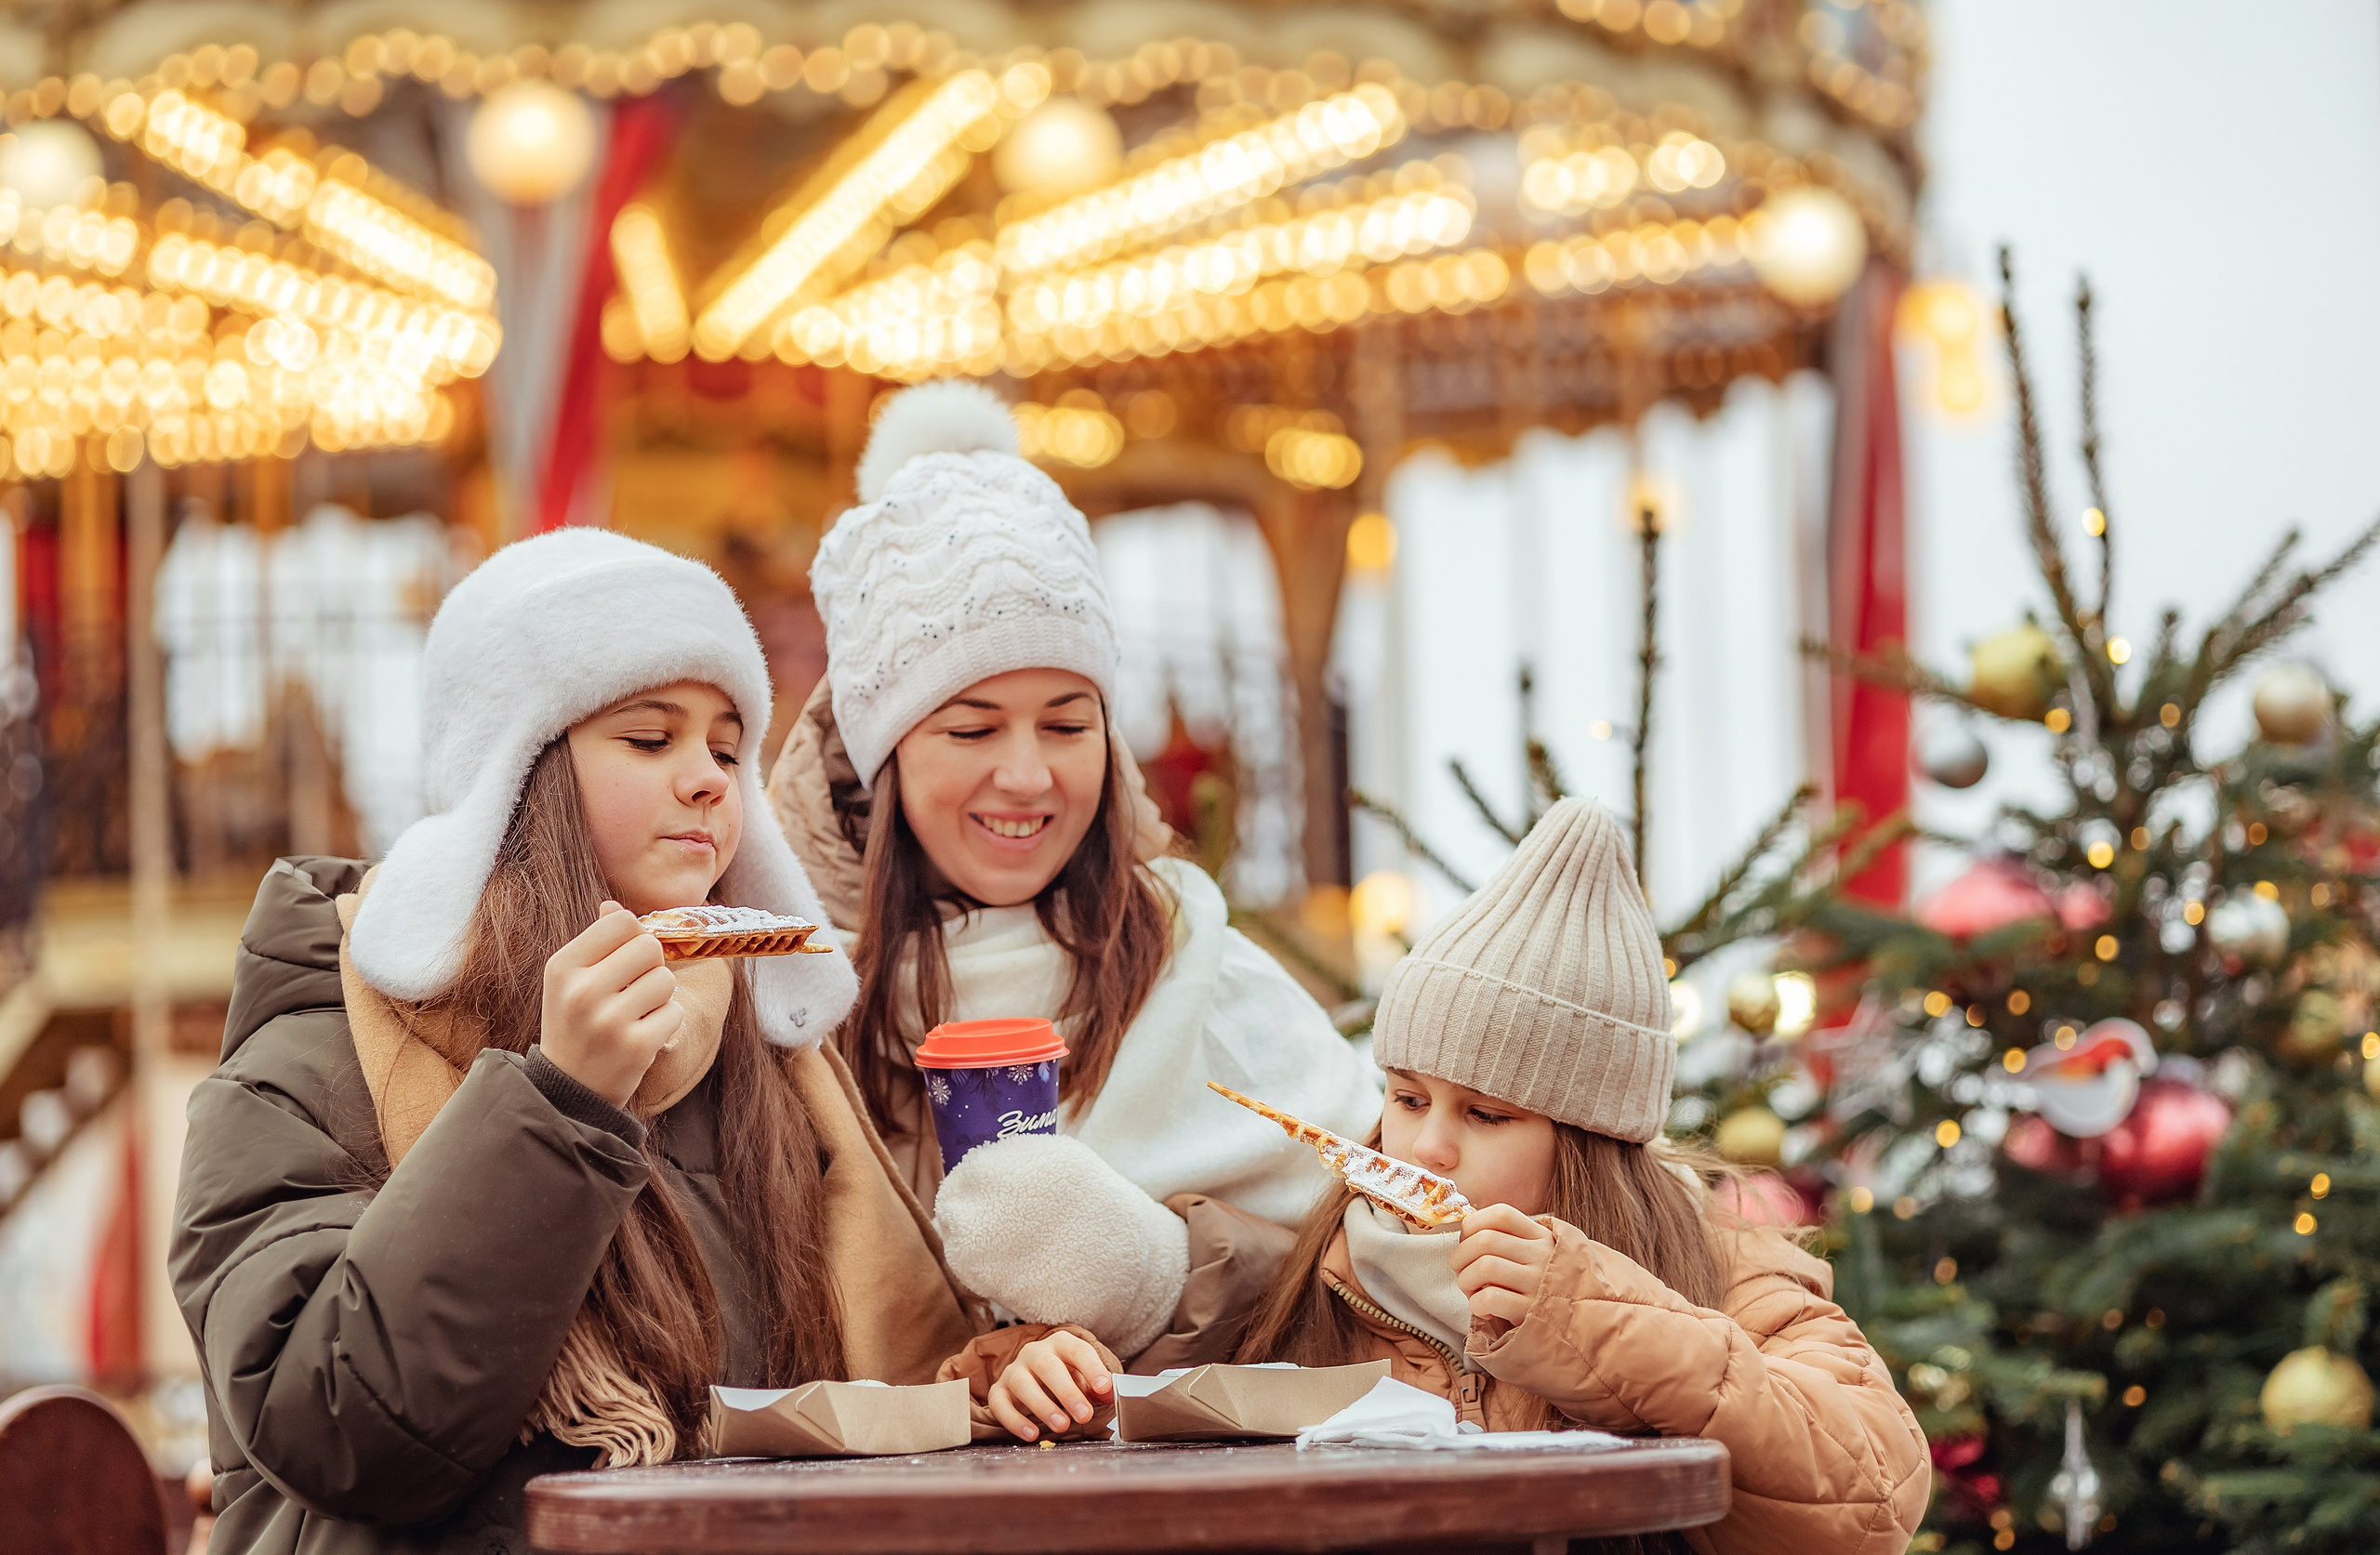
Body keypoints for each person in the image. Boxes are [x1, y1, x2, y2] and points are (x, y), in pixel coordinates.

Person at [171, 531, 993, 1555]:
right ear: (519, 776)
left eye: (729, 750)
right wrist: (558, 1106)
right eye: (650, 740)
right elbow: (337, 1430)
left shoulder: (767, 1060)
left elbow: (859, 1395)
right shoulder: (313, 1059)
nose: (708, 782)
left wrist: (992, 1375)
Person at [985, 799, 1931, 1553]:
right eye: (1404, 1099)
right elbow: (1105, 1418)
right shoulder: (1289, 1278)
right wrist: (1030, 1370)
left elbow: (1872, 1498)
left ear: (1589, 1142)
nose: (1423, 1149)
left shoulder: (1729, 1279)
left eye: (1484, 1115)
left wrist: (1591, 1320)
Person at [769, 379, 1380, 1364]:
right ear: (883, 756)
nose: (1028, 775)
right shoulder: (795, 1001)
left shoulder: (1198, 971)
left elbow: (1371, 1265)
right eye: (970, 727)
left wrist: (1155, 1276)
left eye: (1067, 722)